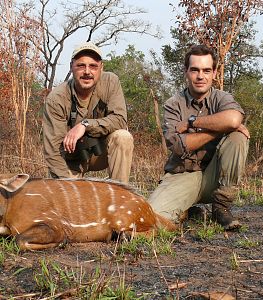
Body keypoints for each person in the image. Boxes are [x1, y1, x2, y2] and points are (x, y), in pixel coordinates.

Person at [148, 44, 250, 230]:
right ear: (186, 71)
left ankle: (221, 206)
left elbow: (234, 119)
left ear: (215, 72)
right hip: (184, 173)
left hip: (215, 176)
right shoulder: (173, 104)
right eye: (194, 70)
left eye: (206, 70)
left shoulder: (222, 97)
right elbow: (179, 146)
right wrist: (220, 127)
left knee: (237, 137)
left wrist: (193, 122)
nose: (200, 76)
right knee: (153, 218)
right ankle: (189, 210)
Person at [43, 42, 134, 184]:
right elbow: (53, 151)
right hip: (71, 160)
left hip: (100, 153)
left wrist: (85, 125)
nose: (87, 71)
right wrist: (67, 186)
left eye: (93, 66)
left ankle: (119, 194)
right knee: (68, 199)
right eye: (81, 65)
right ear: (71, 67)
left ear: (101, 68)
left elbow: (120, 120)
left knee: (123, 137)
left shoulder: (111, 81)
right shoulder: (56, 99)